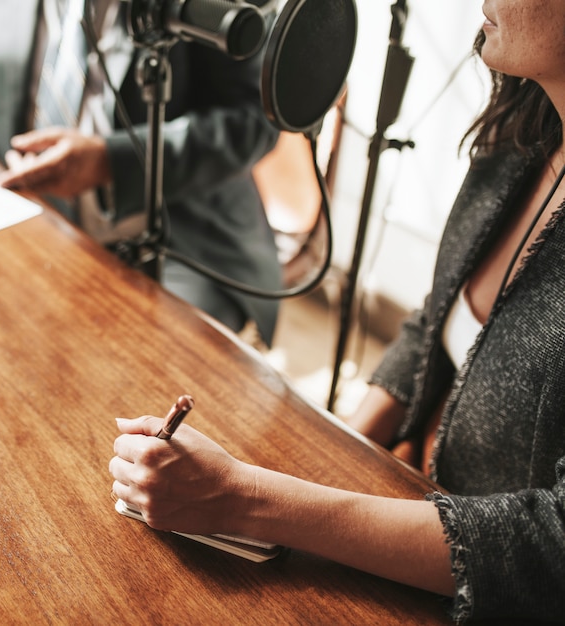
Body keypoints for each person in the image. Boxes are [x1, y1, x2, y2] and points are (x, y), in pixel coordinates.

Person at [109, 2, 565, 622]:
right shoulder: (525, 126)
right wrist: (318, 456)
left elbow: (552, 550)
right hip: (417, 505)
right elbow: (437, 322)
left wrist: (244, 498)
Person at [0, 0, 282, 346]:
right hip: (20, 213)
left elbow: (255, 118)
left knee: (139, 369)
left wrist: (110, 161)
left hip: (181, 238)